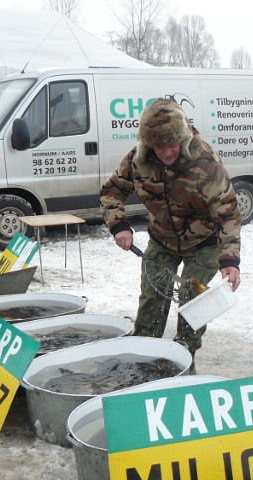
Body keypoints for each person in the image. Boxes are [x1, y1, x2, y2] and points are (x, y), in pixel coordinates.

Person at [100, 98, 242, 366]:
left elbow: (228, 212)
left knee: (192, 297)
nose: (165, 152)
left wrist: (230, 260)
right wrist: (119, 225)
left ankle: (184, 357)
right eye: (158, 146)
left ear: (182, 138)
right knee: (152, 297)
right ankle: (143, 356)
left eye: (171, 145)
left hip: (204, 242)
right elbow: (111, 191)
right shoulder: (138, 159)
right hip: (162, 239)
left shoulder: (204, 161)